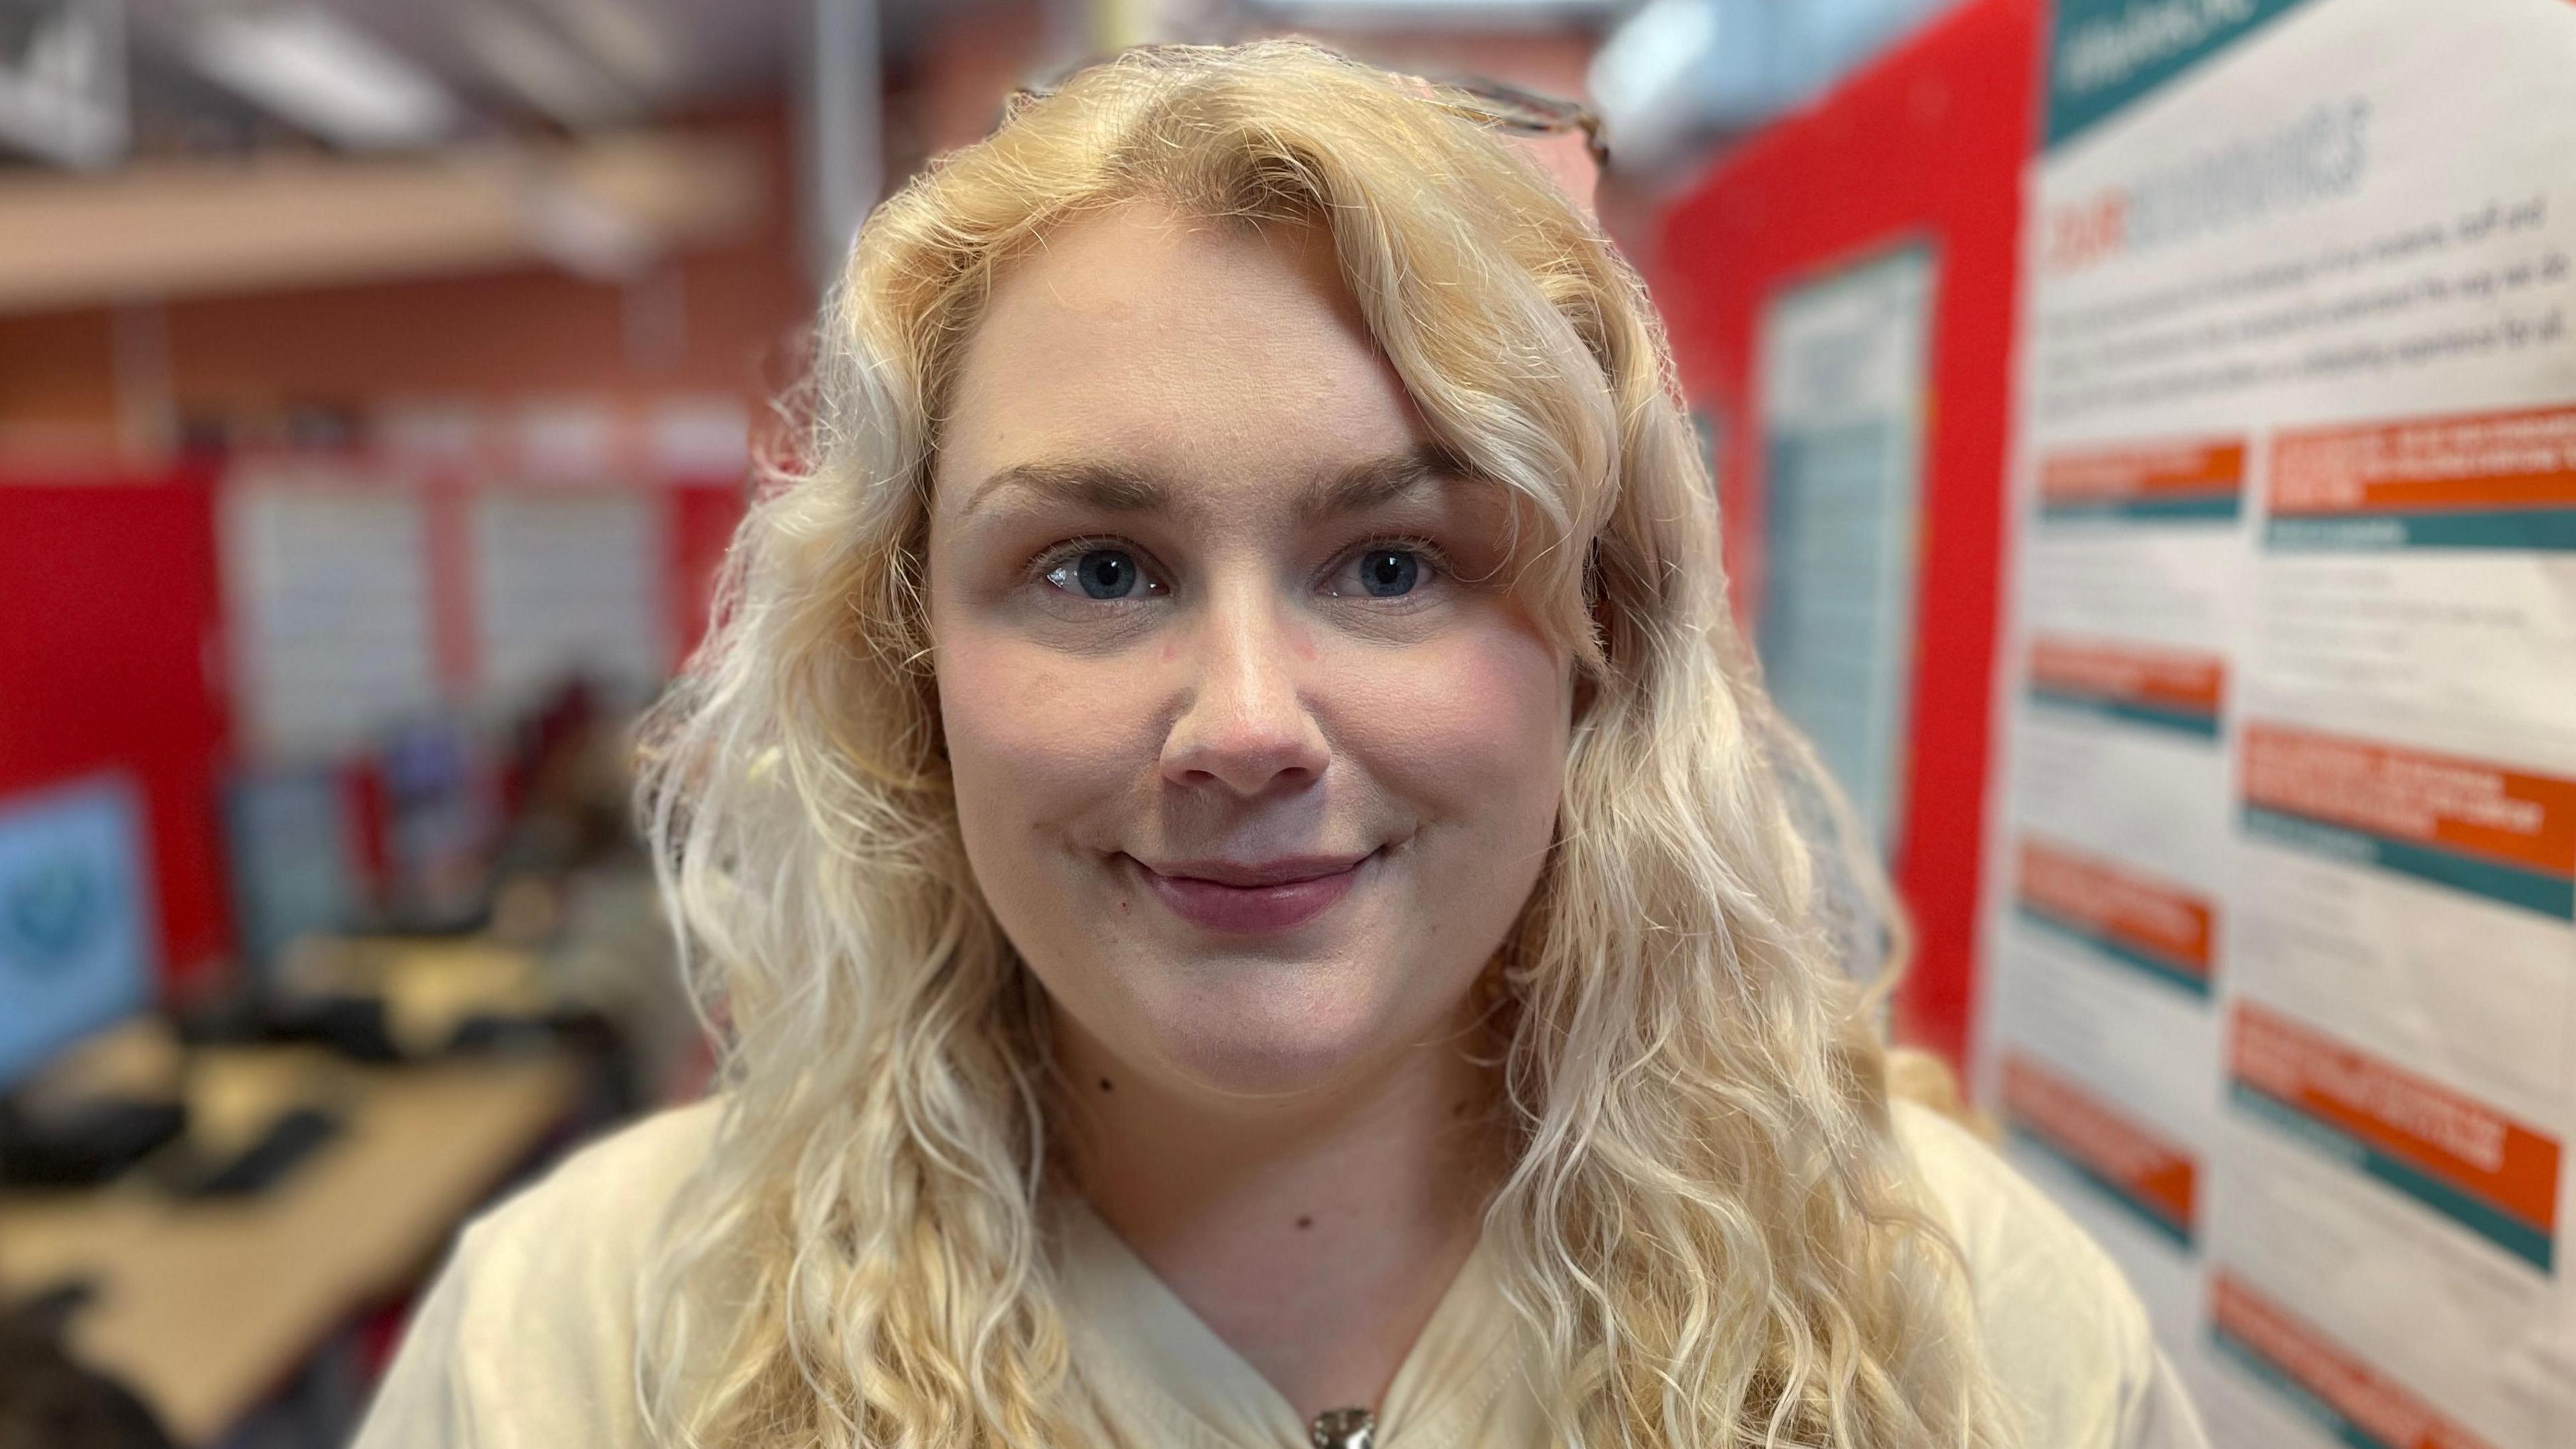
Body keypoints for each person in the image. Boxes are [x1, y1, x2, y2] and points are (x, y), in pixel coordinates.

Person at [353, 40, 2205, 1449]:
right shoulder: (579, 1355)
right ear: (908, 666)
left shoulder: (1973, 1342)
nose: (1245, 725)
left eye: (1393, 562)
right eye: (1095, 569)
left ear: (1600, 647)